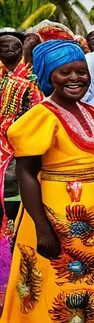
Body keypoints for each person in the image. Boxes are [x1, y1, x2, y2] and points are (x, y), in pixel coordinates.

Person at [0, 40, 94, 323]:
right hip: (63, 218)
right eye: (65, 72)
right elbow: (28, 174)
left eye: (81, 72)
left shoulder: (90, 111)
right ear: (49, 77)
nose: (75, 78)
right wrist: (42, 228)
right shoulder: (40, 116)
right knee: (71, 285)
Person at [0, 32, 42, 307]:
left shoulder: (29, 82)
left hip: (18, 158)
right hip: (6, 158)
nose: (11, 49)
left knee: (16, 216)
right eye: (5, 45)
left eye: (16, 45)